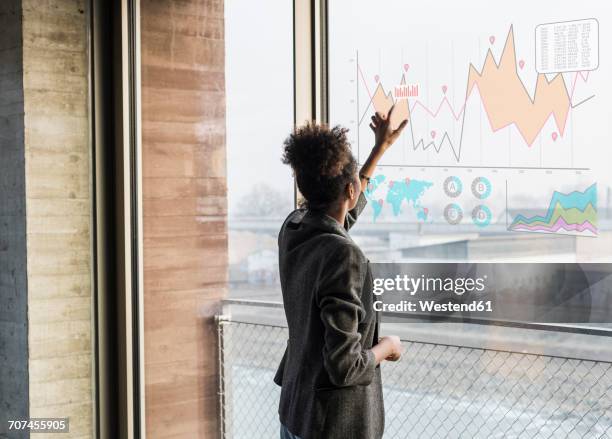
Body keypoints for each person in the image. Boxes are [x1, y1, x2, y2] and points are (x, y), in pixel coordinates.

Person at [274, 106, 408, 439]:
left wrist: (379, 151)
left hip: (296, 413)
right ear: (350, 190)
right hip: (332, 426)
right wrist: (386, 347)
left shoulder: (294, 227)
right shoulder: (343, 254)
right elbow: (344, 366)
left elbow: (338, 219)